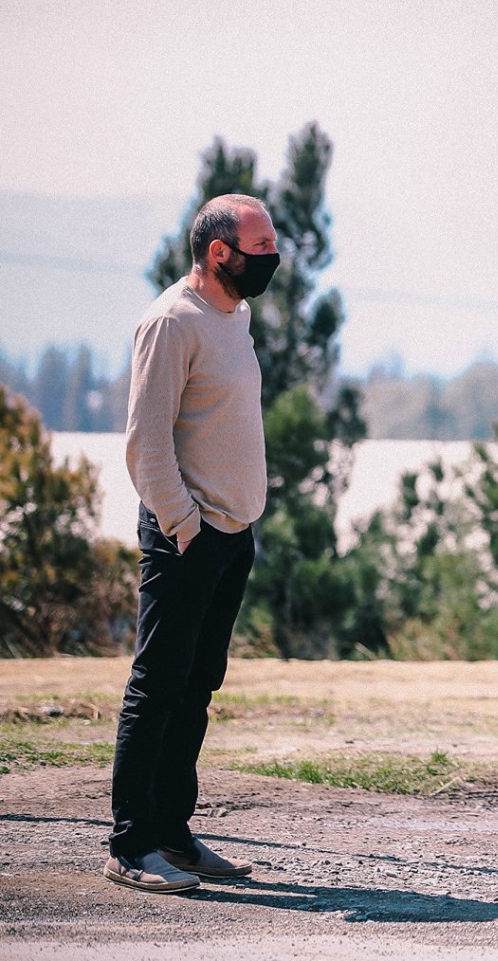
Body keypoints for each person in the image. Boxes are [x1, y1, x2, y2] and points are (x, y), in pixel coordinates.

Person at [106, 194, 279, 893]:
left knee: (196, 688)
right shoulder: (171, 321)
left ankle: (173, 834)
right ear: (219, 252)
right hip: (188, 536)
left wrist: (232, 527)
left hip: (232, 535)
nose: (272, 257)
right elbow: (146, 445)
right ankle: (129, 844)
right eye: (261, 245)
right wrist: (185, 526)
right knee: (156, 687)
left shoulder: (235, 317)